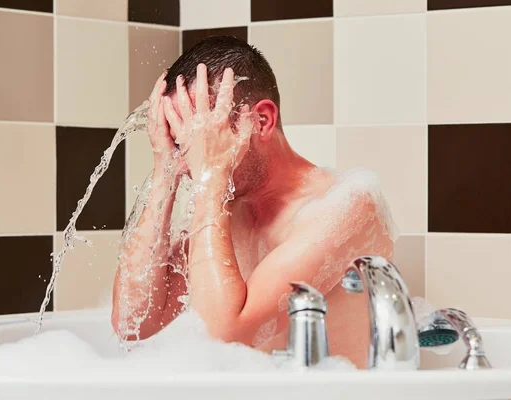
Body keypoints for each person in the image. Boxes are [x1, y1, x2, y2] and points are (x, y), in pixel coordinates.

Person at [112, 36, 394, 368]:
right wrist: (164, 169)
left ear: (261, 121)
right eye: (179, 139)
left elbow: (223, 334)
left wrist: (212, 174)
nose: (189, 162)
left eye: (202, 137)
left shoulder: (346, 206)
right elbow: (133, 321)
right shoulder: (225, 212)